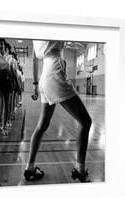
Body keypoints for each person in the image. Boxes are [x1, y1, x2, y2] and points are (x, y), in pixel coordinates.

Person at [24, 40, 92, 182]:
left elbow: (34, 58)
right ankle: (80, 170)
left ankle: (29, 168)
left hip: (44, 77)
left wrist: (36, 84)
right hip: (55, 74)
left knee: (42, 125)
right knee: (85, 121)